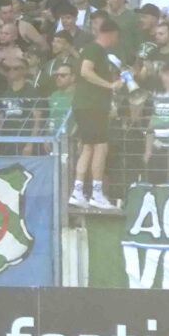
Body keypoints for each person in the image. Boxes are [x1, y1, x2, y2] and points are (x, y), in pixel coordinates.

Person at [70, 15, 125, 210]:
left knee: (88, 147)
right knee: (101, 147)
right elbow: (86, 71)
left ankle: (78, 191)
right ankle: (96, 192)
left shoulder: (92, 50)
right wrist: (110, 85)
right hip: (92, 106)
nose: (116, 41)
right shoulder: (95, 49)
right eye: (116, 36)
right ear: (111, 34)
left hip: (86, 105)